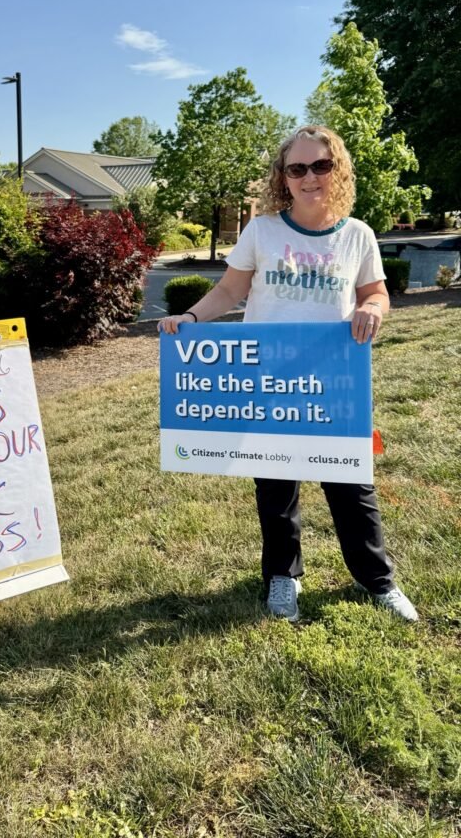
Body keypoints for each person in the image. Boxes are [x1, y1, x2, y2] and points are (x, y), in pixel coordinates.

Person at [158, 125, 418, 624]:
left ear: (337, 169)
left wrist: (374, 310)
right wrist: (190, 318)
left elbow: (376, 294)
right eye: (297, 168)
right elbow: (231, 291)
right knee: (276, 486)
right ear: (283, 177)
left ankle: (377, 581)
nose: (309, 177)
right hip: (268, 381)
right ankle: (283, 575)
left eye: (320, 165)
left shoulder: (357, 234)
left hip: (332, 381)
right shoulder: (262, 230)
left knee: (351, 486)